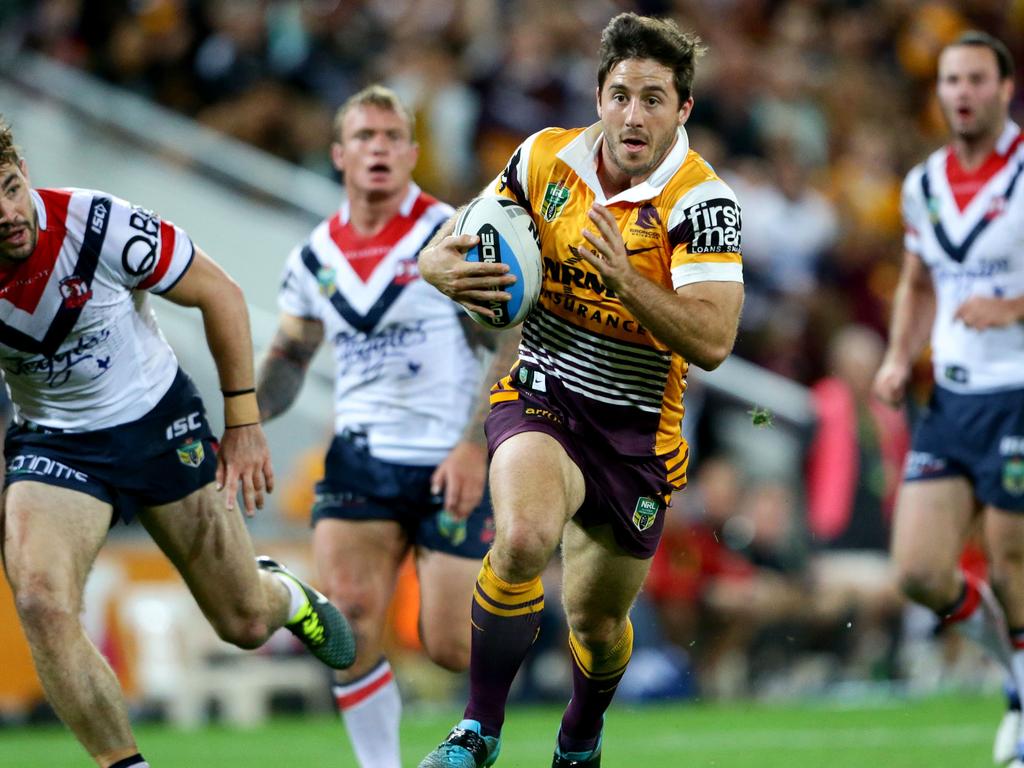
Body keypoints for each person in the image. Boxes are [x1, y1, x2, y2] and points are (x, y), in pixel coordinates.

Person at [415, 13, 744, 768]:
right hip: (544, 393)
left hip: (636, 435)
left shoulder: (702, 204)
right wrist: (435, 267)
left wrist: (627, 279)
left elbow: (716, 341)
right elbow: (462, 235)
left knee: (596, 625)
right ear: (598, 94)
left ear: (682, 110)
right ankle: (478, 731)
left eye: (655, 99)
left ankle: (579, 739)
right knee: (525, 537)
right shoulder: (542, 159)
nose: (634, 114)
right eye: (621, 94)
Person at [0, 116, 355, 768]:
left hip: (157, 423)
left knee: (244, 621)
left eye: (10, 187)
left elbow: (219, 293)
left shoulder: (97, 225)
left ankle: (286, 595)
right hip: (55, 442)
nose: (6, 214)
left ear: (24, 172)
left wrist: (243, 426)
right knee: (39, 600)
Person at [256, 84, 509, 768]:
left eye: (392, 137)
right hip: (361, 456)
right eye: (364, 137)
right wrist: (242, 422)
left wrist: (471, 444)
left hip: (447, 459)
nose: (379, 149)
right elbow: (289, 356)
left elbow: (507, 339)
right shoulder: (313, 257)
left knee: (452, 646)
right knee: (353, 620)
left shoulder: (450, 234)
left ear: (413, 154)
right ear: (339, 155)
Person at [872, 31, 1024, 768]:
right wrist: (901, 355)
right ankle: (1019, 676)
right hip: (953, 399)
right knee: (920, 571)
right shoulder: (923, 184)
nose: (961, 92)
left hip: (1018, 392)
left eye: (975, 79)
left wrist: (1014, 307)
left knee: (1010, 561)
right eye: (950, 80)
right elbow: (920, 279)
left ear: (1004, 87)